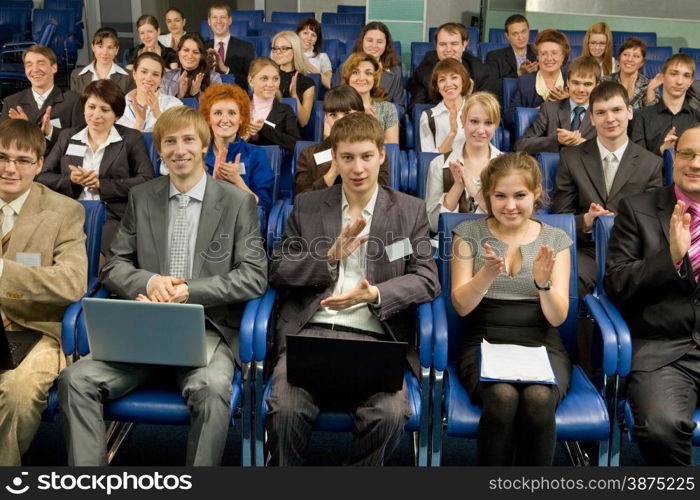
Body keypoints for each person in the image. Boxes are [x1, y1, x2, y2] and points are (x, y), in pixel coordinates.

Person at [58, 106, 268, 466]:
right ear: (160, 150)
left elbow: (253, 276)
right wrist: (150, 281)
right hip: (144, 327)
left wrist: (189, 291)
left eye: (189, 140)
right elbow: (115, 266)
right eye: (170, 141)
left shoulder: (236, 203)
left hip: (205, 329)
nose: (179, 149)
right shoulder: (143, 197)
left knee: (213, 388)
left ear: (204, 146)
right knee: (75, 379)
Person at [266, 111, 440, 466]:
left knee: (391, 413)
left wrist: (376, 294)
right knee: (285, 407)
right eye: (347, 157)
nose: (357, 167)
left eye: (365, 156)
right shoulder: (309, 206)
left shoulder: (409, 211)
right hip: (312, 334)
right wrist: (327, 258)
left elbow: (426, 277)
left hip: (377, 337)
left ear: (381, 155)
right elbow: (278, 267)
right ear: (335, 158)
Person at [451, 152, 572, 465]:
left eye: (520, 195)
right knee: (502, 397)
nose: (510, 205)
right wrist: (486, 275)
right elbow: (462, 307)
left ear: (535, 194)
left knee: (538, 398)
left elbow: (558, 317)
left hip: (542, 341)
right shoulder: (468, 233)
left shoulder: (555, 239)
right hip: (485, 337)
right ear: (488, 196)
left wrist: (543, 285)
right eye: (500, 196)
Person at [605, 124, 700, 465]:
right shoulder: (637, 209)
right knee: (661, 427)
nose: (695, 164)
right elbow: (616, 283)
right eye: (687, 154)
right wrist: (670, 257)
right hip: (665, 349)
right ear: (674, 159)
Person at [0, 118, 87, 465]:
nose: (10, 168)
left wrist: (5, 272)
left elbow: (72, 282)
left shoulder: (64, 212)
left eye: (22, 161)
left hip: (35, 330)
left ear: (38, 164)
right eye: (2, 157)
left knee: (18, 394)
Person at [551, 80, 663, 295]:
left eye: (617, 110)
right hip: (587, 252)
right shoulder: (571, 158)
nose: (610, 119)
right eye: (601, 112)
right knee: (567, 282)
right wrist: (585, 222)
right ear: (591, 118)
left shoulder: (651, 164)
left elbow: (652, 224)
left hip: (632, 254)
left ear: (630, 112)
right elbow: (560, 218)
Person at [37, 80, 154, 252]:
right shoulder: (68, 136)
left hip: (111, 216)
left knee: (97, 257)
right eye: (91, 107)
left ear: (117, 114)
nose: (96, 115)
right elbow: (42, 176)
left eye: (105, 110)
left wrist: (102, 184)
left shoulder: (131, 139)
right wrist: (70, 179)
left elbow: (146, 181)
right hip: (68, 212)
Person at [425, 92, 502, 233]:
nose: (481, 130)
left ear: (496, 125)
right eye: (474, 121)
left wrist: (473, 190)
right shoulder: (439, 164)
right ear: (462, 120)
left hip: (495, 243)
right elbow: (434, 225)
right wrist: (458, 186)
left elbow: (508, 220)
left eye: (488, 123)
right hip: (451, 244)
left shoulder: (507, 166)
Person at [295, 85, 390, 194]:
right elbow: (303, 200)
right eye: (333, 115)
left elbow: (380, 194)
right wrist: (332, 172)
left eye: (347, 114)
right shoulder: (308, 155)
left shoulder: (373, 152)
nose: (340, 121)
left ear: (361, 114)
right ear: (326, 117)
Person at [199, 83, 274, 212]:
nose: (225, 119)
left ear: (241, 119)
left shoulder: (256, 154)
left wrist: (237, 182)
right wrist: (214, 183)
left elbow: (263, 206)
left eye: (232, 113)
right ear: (208, 119)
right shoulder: (197, 154)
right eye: (217, 113)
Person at [1, 45, 85, 155]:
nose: (35, 69)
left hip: (58, 170)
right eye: (29, 64)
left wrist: (51, 132)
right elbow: (4, 146)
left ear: (54, 67)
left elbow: (80, 149)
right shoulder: (11, 102)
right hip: (23, 169)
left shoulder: (73, 100)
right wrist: (25, 129)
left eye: (41, 63)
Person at [515, 56, 600, 154]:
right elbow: (521, 145)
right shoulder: (549, 109)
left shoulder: (603, 114)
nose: (580, 89)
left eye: (587, 84)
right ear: (567, 82)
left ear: (596, 86)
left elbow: (613, 150)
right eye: (575, 83)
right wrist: (556, 140)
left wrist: (585, 144)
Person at [407, 22, 499, 113]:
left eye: (454, 44)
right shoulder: (425, 70)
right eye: (443, 44)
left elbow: (490, 109)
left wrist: (467, 100)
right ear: (436, 45)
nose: (448, 49)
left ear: (464, 44)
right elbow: (417, 110)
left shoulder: (480, 70)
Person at [630, 54, 700, 156]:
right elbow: (636, 161)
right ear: (662, 77)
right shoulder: (641, 117)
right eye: (674, 74)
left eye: (686, 76)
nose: (679, 82)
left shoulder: (698, 120)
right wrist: (662, 150)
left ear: (690, 82)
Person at [505, 29, 570, 131]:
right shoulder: (525, 82)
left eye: (554, 53)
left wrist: (569, 101)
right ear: (537, 57)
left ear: (563, 57)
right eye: (543, 53)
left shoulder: (573, 80)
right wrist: (539, 110)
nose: (549, 58)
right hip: (534, 139)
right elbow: (509, 119)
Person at [333, 22, 405, 114]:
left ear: (386, 45)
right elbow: (334, 100)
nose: (374, 46)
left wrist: (379, 113)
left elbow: (400, 108)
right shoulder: (345, 67)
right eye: (369, 40)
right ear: (362, 41)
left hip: (382, 121)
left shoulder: (395, 71)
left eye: (379, 42)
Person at [245, 57, 301, 152]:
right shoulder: (238, 107)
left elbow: (295, 143)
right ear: (250, 80)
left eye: (275, 79)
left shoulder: (286, 110)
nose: (271, 84)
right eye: (264, 78)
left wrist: (265, 128)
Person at [341, 52, 399, 144]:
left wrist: (372, 126)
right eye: (355, 72)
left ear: (374, 78)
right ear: (348, 77)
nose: (362, 78)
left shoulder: (388, 109)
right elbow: (331, 145)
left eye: (368, 73)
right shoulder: (337, 105)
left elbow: (391, 148)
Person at [117, 52, 182, 132]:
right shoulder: (119, 106)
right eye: (144, 72)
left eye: (155, 74)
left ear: (161, 79)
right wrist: (139, 124)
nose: (148, 78)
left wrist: (157, 113)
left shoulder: (174, 104)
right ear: (134, 74)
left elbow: (179, 135)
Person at [419, 58, 472, 153]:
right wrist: (452, 133)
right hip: (442, 166)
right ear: (437, 87)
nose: (448, 84)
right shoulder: (428, 117)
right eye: (442, 80)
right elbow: (428, 158)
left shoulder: (475, 111)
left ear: (463, 81)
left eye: (454, 77)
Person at [602, 38, 661, 111]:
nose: (629, 59)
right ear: (619, 57)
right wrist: (628, 96)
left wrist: (650, 90)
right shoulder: (605, 81)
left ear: (642, 62)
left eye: (636, 56)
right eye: (626, 54)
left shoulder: (648, 85)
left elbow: (653, 116)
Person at [271, 31, 315, 127]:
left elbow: (304, 121)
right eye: (275, 48)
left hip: (291, 133)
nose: (278, 52)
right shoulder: (267, 76)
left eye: (284, 48)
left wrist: (294, 95)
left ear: (295, 50)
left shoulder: (307, 83)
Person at [70, 27, 134, 95]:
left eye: (110, 47)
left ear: (116, 50)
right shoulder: (77, 75)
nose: (104, 52)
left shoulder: (128, 77)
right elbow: (76, 104)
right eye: (100, 46)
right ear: (93, 47)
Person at [204, 4, 255, 88]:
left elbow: (249, 80)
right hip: (207, 94)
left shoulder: (245, 47)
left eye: (223, 17)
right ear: (209, 21)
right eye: (214, 17)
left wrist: (226, 69)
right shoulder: (202, 47)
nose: (218, 21)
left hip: (234, 94)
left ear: (230, 20)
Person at [161, 33, 222, 99]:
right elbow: (163, 107)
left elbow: (217, 107)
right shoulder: (166, 77)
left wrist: (197, 94)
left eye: (195, 52)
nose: (190, 56)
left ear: (202, 56)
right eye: (186, 50)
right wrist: (179, 96)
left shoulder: (214, 78)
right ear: (179, 52)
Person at [485, 14, 537, 81]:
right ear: (507, 36)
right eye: (515, 34)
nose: (521, 37)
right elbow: (492, 85)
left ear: (529, 31)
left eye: (524, 32)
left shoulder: (539, 53)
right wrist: (519, 73)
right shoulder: (494, 57)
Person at [296, 18, 332, 89]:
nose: (309, 38)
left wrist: (308, 65)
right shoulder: (288, 53)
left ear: (316, 40)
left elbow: (329, 84)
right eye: (305, 33)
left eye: (313, 35)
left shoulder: (322, 57)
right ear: (298, 35)